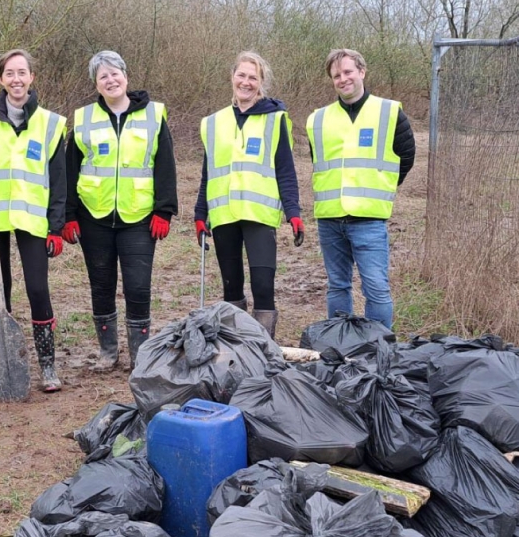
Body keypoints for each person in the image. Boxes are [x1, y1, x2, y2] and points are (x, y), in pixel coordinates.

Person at [0, 49, 67, 392]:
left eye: (22, 73)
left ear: (32, 77)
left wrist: (56, 226)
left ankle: (48, 365)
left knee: (37, 287)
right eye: (10, 73)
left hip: (33, 218)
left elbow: (59, 179)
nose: (16, 79)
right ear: (0, 79)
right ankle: (3, 358)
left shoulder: (50, 124)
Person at [65, 50, 177, 370]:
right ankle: (108, 352)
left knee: (138, 285)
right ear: (96, 84)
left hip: (139, 217)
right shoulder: (84, 118)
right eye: (103, 76)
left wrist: (164, 210)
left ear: (126, 77)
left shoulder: (154, 115)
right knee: (101, 284)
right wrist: (69, 215)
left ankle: (140, 355)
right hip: (93, 216)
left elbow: (165, 165)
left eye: (115, 73)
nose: (111, 80)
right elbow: (70, 168)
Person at [194, 51, 303, 340]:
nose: (246, 82)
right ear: (232, 78)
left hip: (259, 215)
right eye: (241, 75)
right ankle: (237, 347)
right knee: (232, 287)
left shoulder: (275, 120)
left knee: (263, 286)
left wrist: (293, 211)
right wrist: (199, 213)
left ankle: (263, 347)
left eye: (252, 77)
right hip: (224, 215)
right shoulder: (213, 122)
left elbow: (285, 169)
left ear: (261, 82)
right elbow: (208, 172)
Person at [306, 48, 415, 329]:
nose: (343, 79)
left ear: (362, 72)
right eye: (336, 75)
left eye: (348, 72)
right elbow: (318, 162)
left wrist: (380, 187)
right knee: (337, 286)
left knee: (376, 288)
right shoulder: (317, 120)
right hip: (330, 219)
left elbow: (406, 156)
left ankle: (378, 349)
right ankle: (340, 344)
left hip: (368, 220)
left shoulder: (389, 112)